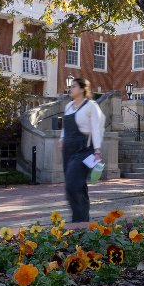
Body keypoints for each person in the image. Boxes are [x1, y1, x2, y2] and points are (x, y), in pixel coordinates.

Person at [60, 77, 105, 222]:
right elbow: (65, 126)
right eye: (70, 86)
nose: (70, 88)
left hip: (84, 150)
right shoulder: (68, 106)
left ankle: (80, 222)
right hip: (68, 150)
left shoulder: (91, 106)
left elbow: (96, 128)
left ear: (82, 89)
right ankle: (82, 221)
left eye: (74, 86)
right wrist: (62, 138)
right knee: (75, 186)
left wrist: (97, 150)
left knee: (73, 185)